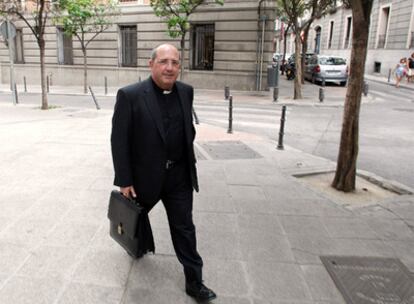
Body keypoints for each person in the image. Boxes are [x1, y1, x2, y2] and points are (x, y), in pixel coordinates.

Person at [111, 44, 216, 302]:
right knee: (134, 219)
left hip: (178, 177)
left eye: (175, 63)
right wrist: (124, 180)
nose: (169, 67)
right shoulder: (130, 95)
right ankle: (136, 247)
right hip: (144, 178)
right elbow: (119, 140)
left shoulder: (186, 92)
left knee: (184, 229)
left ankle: (194, 281)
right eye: (164, 62)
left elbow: (187, 128)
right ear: (151, 64)